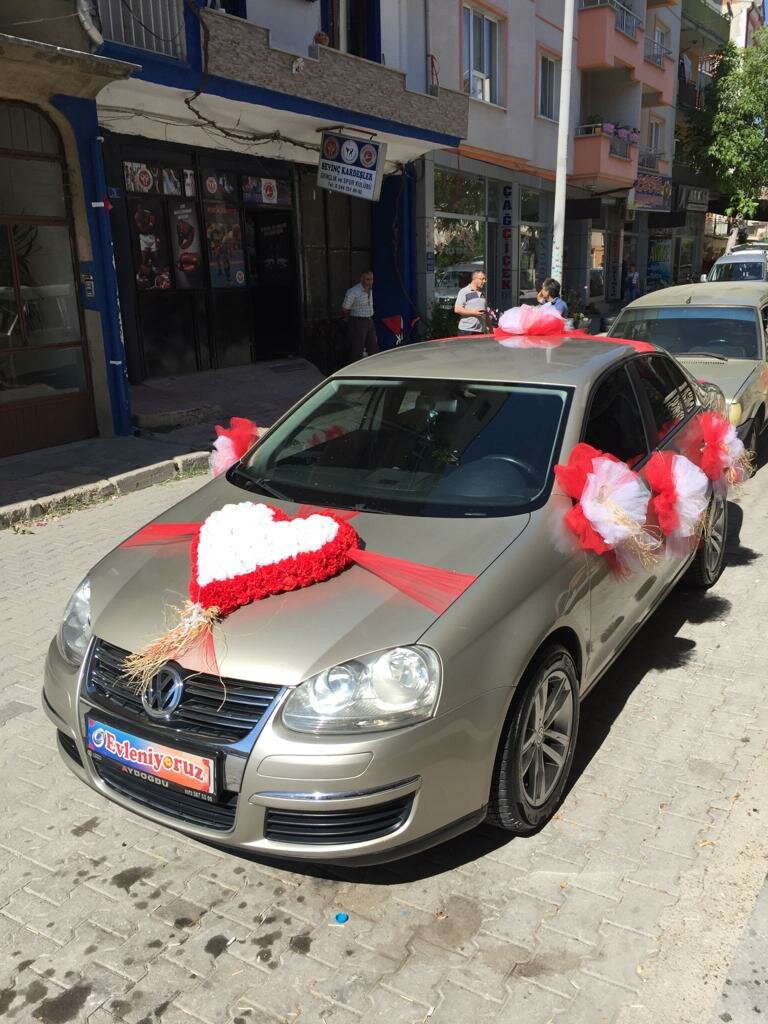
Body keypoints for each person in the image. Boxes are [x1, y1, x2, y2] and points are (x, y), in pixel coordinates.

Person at [342, 270, 379, 360]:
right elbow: (345, 308)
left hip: (369, 319)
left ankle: (374, 366)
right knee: (358, 347)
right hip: (358, 321)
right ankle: (354, 367)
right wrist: (351, 318)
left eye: (371, 279)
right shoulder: (353, 291)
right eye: (367, 279)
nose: (370, 282)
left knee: (373, 346)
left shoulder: (370, 289)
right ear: (362, 279)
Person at [454, 269, 488, 334]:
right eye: (482, 279)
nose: (484, 281)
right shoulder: (464, 291)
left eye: (485, 279)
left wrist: (491, 328)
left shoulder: (483, 294)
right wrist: (474, 312)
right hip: (466, 330)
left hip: (480, 331)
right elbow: (457, 309)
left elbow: (486, 314)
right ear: (474, 279)